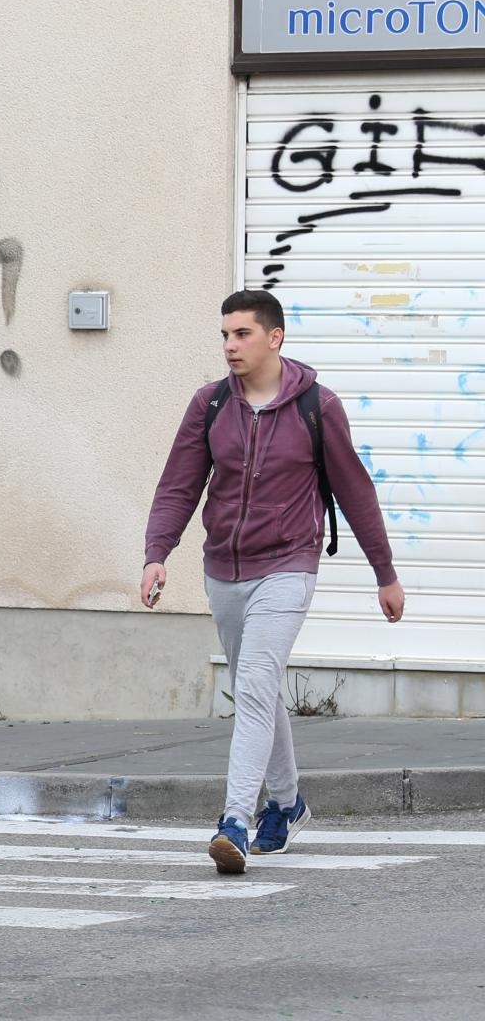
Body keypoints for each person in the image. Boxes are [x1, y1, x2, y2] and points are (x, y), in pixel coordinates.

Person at [141, 289, 404, 875]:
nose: (230, 346)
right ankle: (287, 804)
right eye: (225, 335)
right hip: (223, 569)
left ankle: (235, 819)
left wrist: (384, 573)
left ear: (275, 337)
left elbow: (356, 493)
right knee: (255, 688)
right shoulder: (210, 404)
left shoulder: (317, 406)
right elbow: (179, 484)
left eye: (243, 334)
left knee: (256, 682)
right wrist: (157, 554)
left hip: (288, 564)